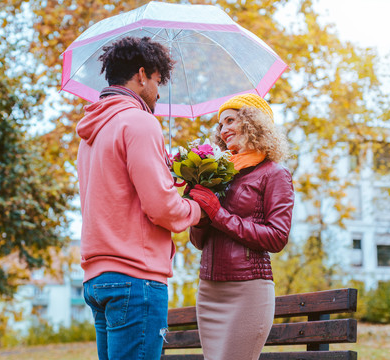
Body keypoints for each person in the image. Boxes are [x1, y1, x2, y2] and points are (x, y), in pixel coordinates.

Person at [76, 36, 201, 360]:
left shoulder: (92, 131)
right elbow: (162, 209)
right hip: (136, 277)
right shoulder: (140, 122)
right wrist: (198, 207)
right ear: (142, 75)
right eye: (159, 81)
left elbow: (117, 197)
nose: (159, 92)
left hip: (98, 278)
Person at [188, 93, 295, 360]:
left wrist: (218, 214)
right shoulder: (218, 174)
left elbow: (277, 237)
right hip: (209, 290)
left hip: (248, 289)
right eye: (220, 125)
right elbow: (199, 241)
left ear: (253, 123)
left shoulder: (274, 173)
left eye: (230, 121)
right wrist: (199, 212)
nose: (223, 130)